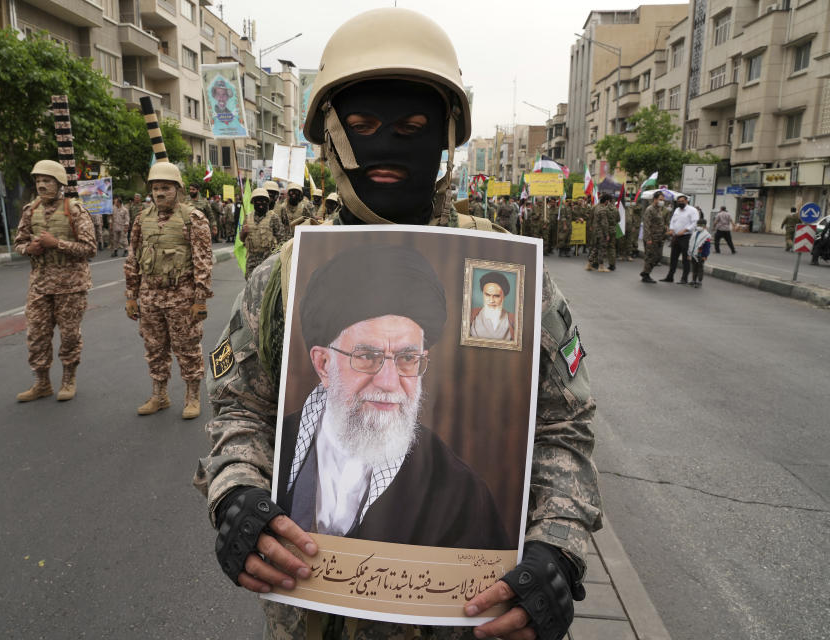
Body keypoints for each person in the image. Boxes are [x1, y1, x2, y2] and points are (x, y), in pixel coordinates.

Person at [195, 9, 600, 640]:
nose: (387, 150)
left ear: (445, 137)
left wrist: (558, 548)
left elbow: (562, 426)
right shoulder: (280, 277)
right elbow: (239, 409)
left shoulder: (509, 269)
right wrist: (236, 492)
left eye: (413, 129)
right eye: (361, 129)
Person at [277, 244, 511, 548]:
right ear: (323, 364)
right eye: (366, 356)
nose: (389, 383)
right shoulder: (272, 447)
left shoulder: (459, 493)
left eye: (408, 358)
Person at [124, 161, 213, 419]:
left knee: (187, 347)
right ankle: (159, 395)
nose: (159, 193)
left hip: (181, 296)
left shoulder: (192, 218)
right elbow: (133, 258)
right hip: (150, 295)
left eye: (166, 187)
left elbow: (203, 261)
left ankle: (192, 396)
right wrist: (131, 295)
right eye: (155, 188)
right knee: (154, 347)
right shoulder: (142, 219)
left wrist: (200, 300)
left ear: (178, 189)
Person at [13, 159, 96, 402]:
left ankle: (69, 378)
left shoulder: (75, 210)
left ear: (59, 183)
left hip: (71, 285)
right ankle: (42, 382)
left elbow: (90, 248)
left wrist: (57, 244)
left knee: (69, 335)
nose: (42, 185)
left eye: (47, 180)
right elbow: (19, 243)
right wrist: (30, 248)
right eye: (38, 180)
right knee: (37, 335)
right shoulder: (31, 210)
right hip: (40, 283)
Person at [239, 187, 285, 279]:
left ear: (267, 202)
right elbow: (241, 239)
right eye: (258, 201)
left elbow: (282, 240)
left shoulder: (273, 218)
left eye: (264, 201)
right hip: (252, 260)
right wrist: (243, 232)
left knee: (266, 287)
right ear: (253, 202)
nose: (261, 204)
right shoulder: (248, 218)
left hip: (268, 259)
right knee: (251, 286)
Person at [661, 194, 699, 284]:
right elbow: (673, 221)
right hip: (676, 237)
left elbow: (695, 223)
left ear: (686, 201)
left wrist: (685, 230)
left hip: (686, 237)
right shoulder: (677, 210)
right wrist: (671, 229)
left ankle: (684, 278)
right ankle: (670, 277)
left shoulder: (692, 210)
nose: (680, 203)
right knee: (673, 257)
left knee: (686, 259)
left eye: (682, 201)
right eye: (679, 202)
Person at [469, 271, 515, 340]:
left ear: (503, 297)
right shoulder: (470, 314)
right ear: (483, 294)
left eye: (496, 296)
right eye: (487, 295)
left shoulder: (514, 320)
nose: (491, 300)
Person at [640, 191, 667, 283]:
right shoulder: (650, 209)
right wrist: (648, 239)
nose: (662, 201)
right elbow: (646, 225)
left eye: (663, 200)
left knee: (658, 257)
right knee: (650, 256)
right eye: (660, 199)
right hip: (651, 238)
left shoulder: (659, 209)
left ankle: (645, 272)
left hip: (659, 237)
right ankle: (646, 275)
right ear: (655, 199)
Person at [586, 193, 613, 272]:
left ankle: (589, 264)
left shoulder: (596, 207)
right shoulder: (603, 209)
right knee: (602, 249)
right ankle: (601, 266)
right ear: (606, 201)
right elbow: (604, 223)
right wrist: (607, 234)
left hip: (596, 231)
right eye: (609, 201)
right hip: (601, 232)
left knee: (596, 248)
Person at [688, 218, 712, 288]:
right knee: (694, 267)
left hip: (701, 254)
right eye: (698, 225)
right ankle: (693, 280)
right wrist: (689, 253)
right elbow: (691, 243)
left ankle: (699, 281)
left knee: (700, 268)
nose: (699, 226)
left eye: (701, 225)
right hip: (693, 253)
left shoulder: (706, 235)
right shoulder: (695, 233)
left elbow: (707, 246)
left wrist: (705, 255)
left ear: (704, 226)